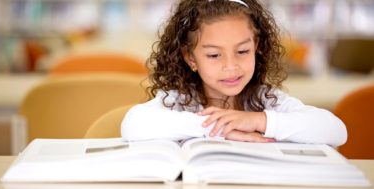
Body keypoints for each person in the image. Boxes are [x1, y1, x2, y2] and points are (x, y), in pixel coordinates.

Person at [121, 0, 347, 147]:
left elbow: (336, 131)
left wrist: (258, 120)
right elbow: (133, 124)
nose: (231, 66)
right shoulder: (180, 100)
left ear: (256, 47)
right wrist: (221, 129)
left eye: (242, 51)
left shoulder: (265, 100)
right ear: (191, 58)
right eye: (213, 55)